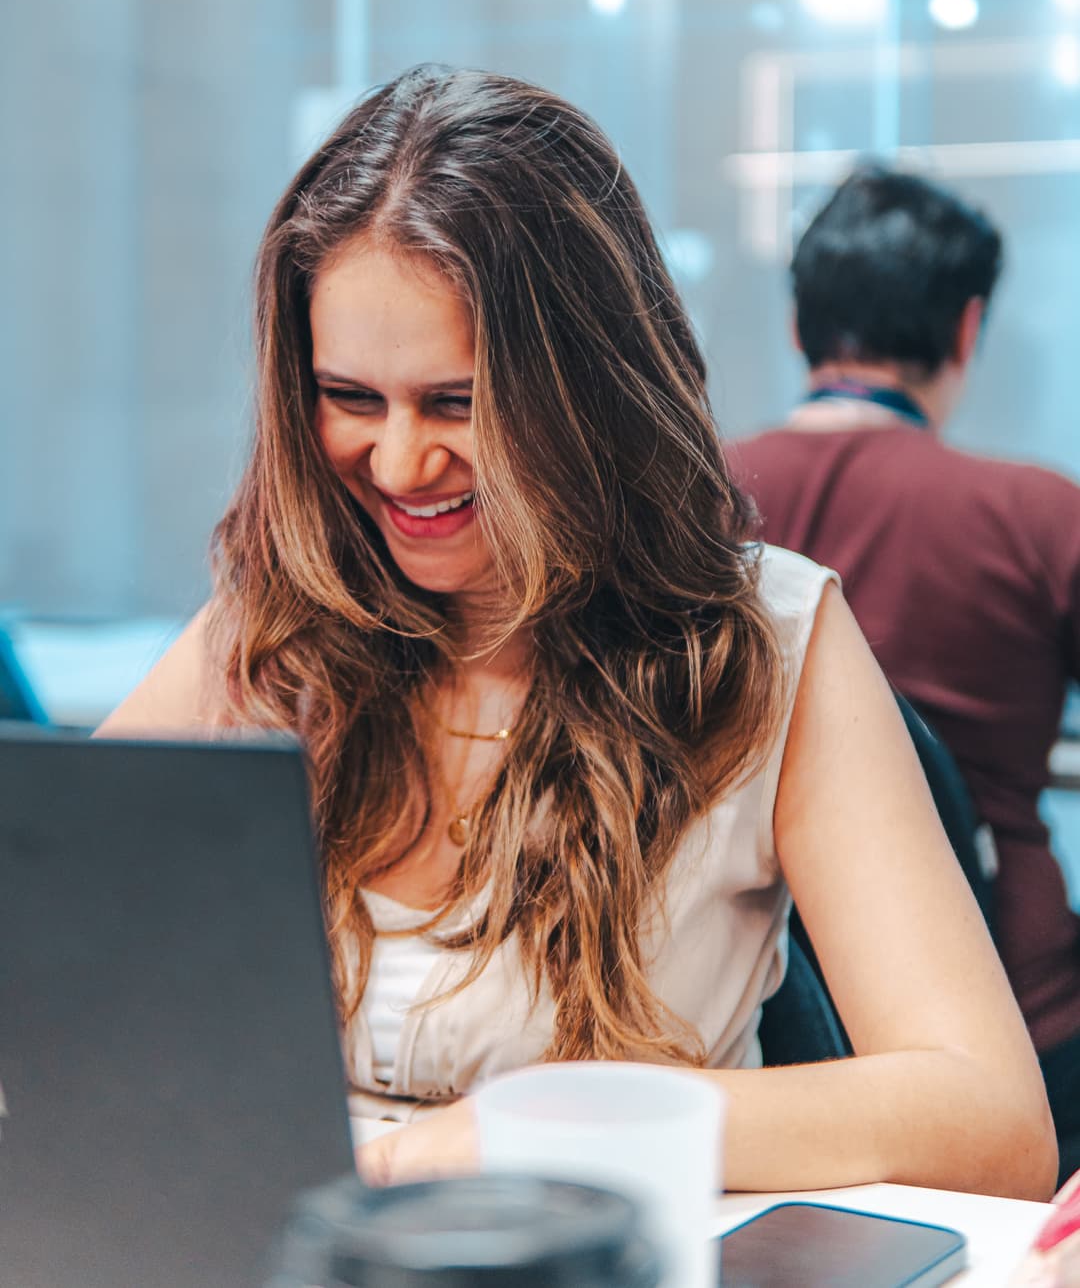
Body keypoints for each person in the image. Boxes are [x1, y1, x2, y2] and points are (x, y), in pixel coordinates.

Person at [99, 70, 1055, 1197]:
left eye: (457, 403)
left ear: (585, 391)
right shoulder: (274, 627)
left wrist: (540, 1130)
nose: (398, 462)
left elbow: (991, 1123)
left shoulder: (770, 642)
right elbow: (48, 920)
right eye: (351, 398)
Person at [730, 163, 1080, 1183]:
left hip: (759, 1040)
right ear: (968, 328)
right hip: (1021, 1022)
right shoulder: (1036, 516)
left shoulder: (690, 502)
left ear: (799, 327)